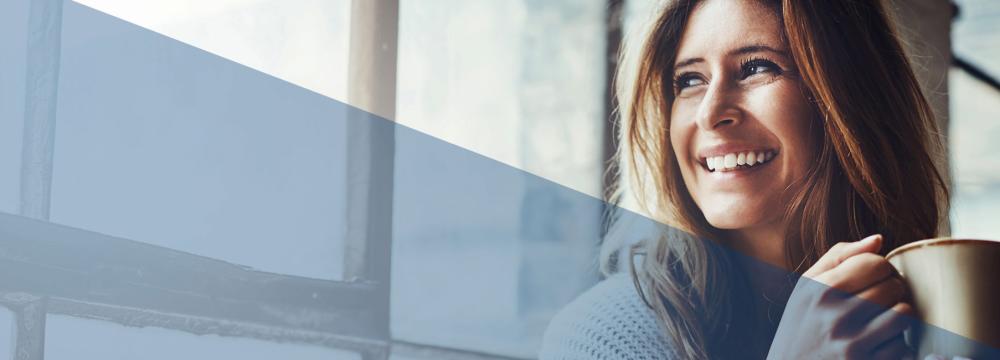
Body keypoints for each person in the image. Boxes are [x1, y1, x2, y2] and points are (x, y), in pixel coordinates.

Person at [539, 0, 949, 359]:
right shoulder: (602, 337)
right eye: (690, 80)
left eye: (756, 68)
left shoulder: (942, 309)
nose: (709, 112)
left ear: (851, 97)